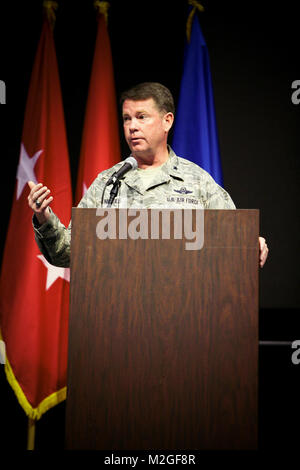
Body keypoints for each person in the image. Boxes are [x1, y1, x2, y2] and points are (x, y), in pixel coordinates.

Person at [28, 82, 269, 268]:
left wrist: (250, 245)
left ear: (167, 121)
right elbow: (70, 253)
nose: (132, 126)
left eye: (142, 117)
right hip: (117, 317)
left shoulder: (198, 182)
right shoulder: (108, 183)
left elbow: (231, 240)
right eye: (126, 119)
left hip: (187, 316)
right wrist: (44, 217)